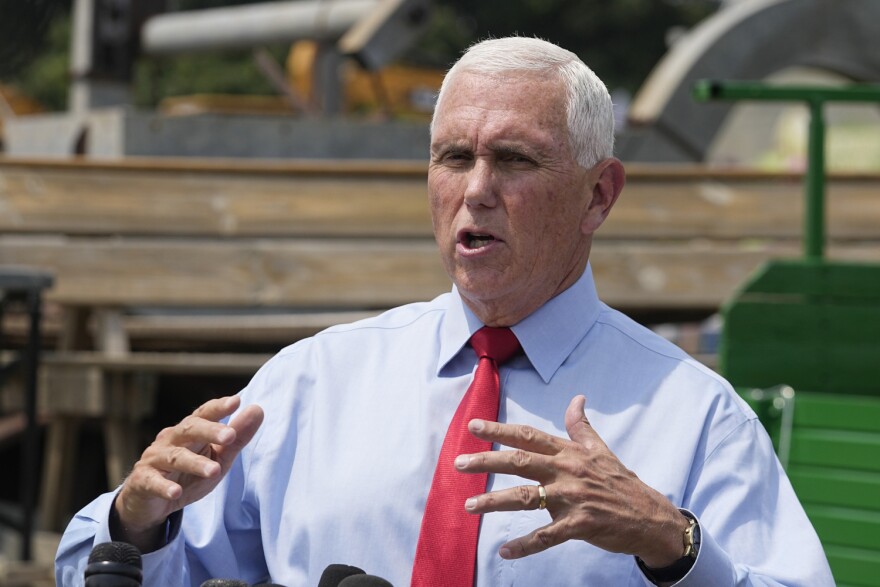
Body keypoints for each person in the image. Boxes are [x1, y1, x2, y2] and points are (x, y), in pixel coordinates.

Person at [55, 37, 833, 586]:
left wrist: (675, 545)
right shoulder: (312, 384)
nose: (476, 189)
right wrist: (135, 520)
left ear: (599, 194)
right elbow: (91, 565)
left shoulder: (695, 417)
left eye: (516, 159)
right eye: (454, 157)